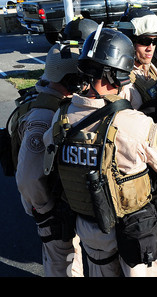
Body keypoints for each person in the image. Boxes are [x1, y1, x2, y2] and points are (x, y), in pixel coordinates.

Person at [43, 28, 157, 277]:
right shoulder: (134, 122)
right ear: (117, 72)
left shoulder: (59, 119)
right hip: (135, 226)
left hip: (89, 228)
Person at [14, 43, 85, 277]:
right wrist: (46, 210)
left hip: (64, 199)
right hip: (53, 206)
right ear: (71, 80)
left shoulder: (57, 104)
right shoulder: (44, 116)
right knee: (62, 263)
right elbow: (28, 178)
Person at [117, 10, 157, 129]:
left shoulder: (152, 70)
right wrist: (142, 115)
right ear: (129, 42)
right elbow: (117, 127)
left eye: (154, 41)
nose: (150, 48)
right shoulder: (123, 81)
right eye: (145, 41)